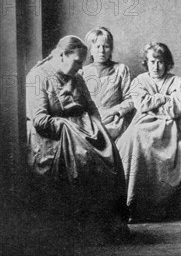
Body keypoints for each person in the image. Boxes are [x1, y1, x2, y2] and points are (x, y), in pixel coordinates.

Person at [26, 35, 128, 243]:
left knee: (110, 158)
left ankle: (104, 226)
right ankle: (80, 230)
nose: (81, 67)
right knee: (85, 163)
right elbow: (39, 120)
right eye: (77, 62)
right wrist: (70, 127)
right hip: (52, 138)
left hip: (82, 131)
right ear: (62, 55)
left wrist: (98, 128)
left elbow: (90, 105)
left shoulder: (77, 76)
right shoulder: (37, 76)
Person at [117, 42, 181, 222]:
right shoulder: (139, 81)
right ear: (146, 63)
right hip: (144, 123)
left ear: (167, 63)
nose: (156, 67)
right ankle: (135, 205)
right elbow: (141, 105)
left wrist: (154, 103)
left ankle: (175, 206)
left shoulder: (178, 82)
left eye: (160, 62)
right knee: (135, 139)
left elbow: (177, 108)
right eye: (152, 62)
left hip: (173, 126)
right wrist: (164, 98)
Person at [81, 27, 134, 143]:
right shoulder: (82, 72)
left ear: (111, 49)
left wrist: (113, 111)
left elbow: (131, 99)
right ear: (90, 49)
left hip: (114, 120)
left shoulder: (121, 69)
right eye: (97, 47)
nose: (102, 51)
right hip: (90, 120)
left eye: (106, 47)